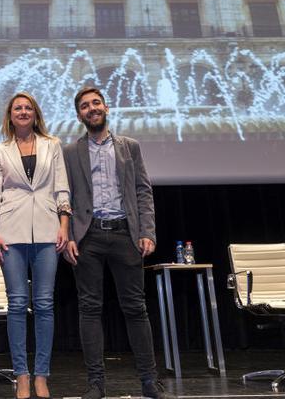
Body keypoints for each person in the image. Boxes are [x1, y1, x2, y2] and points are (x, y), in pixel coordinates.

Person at [62, 87, 175, 399]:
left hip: (125, 233)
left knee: (136, 308)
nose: (91, 109)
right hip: (88, 236)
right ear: (79, 115)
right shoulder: (70, 152)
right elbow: (64, 197)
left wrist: (147, 231)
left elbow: (143, 190)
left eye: (96, 103)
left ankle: (150, 381)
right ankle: (96, 383)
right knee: (89, 309)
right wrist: (69, 235)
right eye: (85, 106)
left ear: (106, 107)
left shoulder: (129, 146)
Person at [0, 92, 71, 399]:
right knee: (18, 304)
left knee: (46, 305)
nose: (23, 112)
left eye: (28, 108)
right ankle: (21, 374)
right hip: (10, 233)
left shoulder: (53, 145)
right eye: (17, 108)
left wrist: (64, 225)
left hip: (49, 233)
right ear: (10, 116)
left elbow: (61, 188)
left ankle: (41, 375)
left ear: (35, 114)